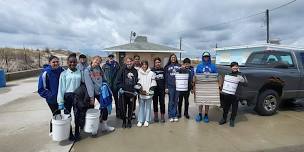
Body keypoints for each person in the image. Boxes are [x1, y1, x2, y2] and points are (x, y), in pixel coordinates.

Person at [84, 56, 115, 132]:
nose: (97, 63)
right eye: (95, 61)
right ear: (92, 60)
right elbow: (89, 85)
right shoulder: (87, 70)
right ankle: (92, 129)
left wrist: (105, 85)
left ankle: (104, 126)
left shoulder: (99, 69)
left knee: (105, 108)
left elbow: (104, 79)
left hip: (100, 92)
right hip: (91, 93)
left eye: (98, 62)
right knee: (91, 111)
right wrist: (91, 97)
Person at [57, 53, 82, 141]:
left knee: (77, 115)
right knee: (68, 116)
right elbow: (61, 88)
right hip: (67, 96)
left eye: (74, 62)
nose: (72, 63)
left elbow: (83, 84)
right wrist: (60, 102)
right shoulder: (63, 74)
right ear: (67, 63)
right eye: (70, 62)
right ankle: (70, 133)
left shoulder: (80, 72)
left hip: (77, 96)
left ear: (77, 62)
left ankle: (77, 133)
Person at [38, 55, 64, 136]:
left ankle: (60, 130)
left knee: (62, 115)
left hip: (62, 98)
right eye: (53, 62)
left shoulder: (62, 70)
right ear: (49, 63)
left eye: (57, 62)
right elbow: (41, 89)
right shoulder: (46, 73)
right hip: (52, 100)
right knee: (56, 114)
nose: (56, 63)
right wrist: (52, 96)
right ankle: (53, 131)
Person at [219, 62, 247, 127]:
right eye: (233, 66)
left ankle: (232, 120)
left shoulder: (241, 75)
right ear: (231, 68)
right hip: (227, 94)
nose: (235, 67)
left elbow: (246, 84)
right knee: (225, 108)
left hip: (236, 95)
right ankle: (224, 119)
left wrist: (243, 80)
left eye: (236, 66)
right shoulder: (228, 75)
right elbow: (224, 84)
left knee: (234, 109)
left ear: (238, 67)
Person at [116, 56, 138, 128]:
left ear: (133, 62)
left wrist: (136, 90)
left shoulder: (135, 71)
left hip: (131, 93)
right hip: (123, 93)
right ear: (125, 62)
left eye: (130, 62)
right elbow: (117, 81)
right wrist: (120, 88)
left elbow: (137, 82)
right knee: (123, 108)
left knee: (131, 108)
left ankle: (129, 121)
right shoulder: (122, 70)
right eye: (128, 62)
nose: (129, 63)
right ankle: (124, 121)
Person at [195, 52, 217, 123]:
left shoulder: (213, 66)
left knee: (207, 101)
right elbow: (196, 76)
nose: (206, 58)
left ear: (209, 57)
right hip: (201, 85)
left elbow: (216, 75)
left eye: (207, 56)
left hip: (209, 86)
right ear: (203, 57)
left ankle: (206, 115)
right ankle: (200, 114)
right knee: (200, 101)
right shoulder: (199, 66)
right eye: (205, 56)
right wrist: (194, 86)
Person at [136, 60, 157, 127]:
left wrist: (151, 90)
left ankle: (147, 120)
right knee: (141, 107)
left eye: (145, 64)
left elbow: (153, 82)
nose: (144, 66)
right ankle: (140, 120)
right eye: (143, 64)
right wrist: (140, 89)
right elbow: (138, 82)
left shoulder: (151, 73)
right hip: (141, 93)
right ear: (141, 65)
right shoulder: (138, 72)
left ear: (147, 65)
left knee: (148, 107)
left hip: (149, 93)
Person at [102, 54, 120, 118]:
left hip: (115, 85)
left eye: (112, 57)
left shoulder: (117, 65)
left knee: (117, 100)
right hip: (108, 85)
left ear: (114, 57)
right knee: (106, 100)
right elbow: (102, 75)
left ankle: (118, 113)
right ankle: (105, 115)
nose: (111, 58)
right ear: (108, 57)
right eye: (110, 57)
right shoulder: (104, 66)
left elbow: (119, 74)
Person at [165, 54, 181, 122]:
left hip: (178, 86)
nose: (173, 58)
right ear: (170, 58)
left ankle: (175, 115)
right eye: (172, 57)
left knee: (176, 101)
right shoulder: (167, 67)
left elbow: (183, 74)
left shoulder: (179, 66)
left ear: (176, 58)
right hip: (170, 86)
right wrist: (166, 87)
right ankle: (170, 115)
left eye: (174, 57)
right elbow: (165, 78)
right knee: (171, 101)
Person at [151, 57, 166, 123]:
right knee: (155, 103)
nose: (157, 63)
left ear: (160, 63)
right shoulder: (151, 70)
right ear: (154, 63)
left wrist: (166, 88)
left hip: (162, 90)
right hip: (154, 90)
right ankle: (156, 116)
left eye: (159, 62)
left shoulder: (163, 70)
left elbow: (166, 80)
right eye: (156, 62)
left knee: (162, 103)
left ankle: (162, 116)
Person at [132, 54, 142, 119]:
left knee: (141, 99)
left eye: (138, 59)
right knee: (133, 100)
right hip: (134, 86)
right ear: (134, 60)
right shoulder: (131, 67)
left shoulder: (142, 66)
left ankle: (141, 112)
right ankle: (133, 112)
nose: (137, 60)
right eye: (136, 59)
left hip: (141, 85)